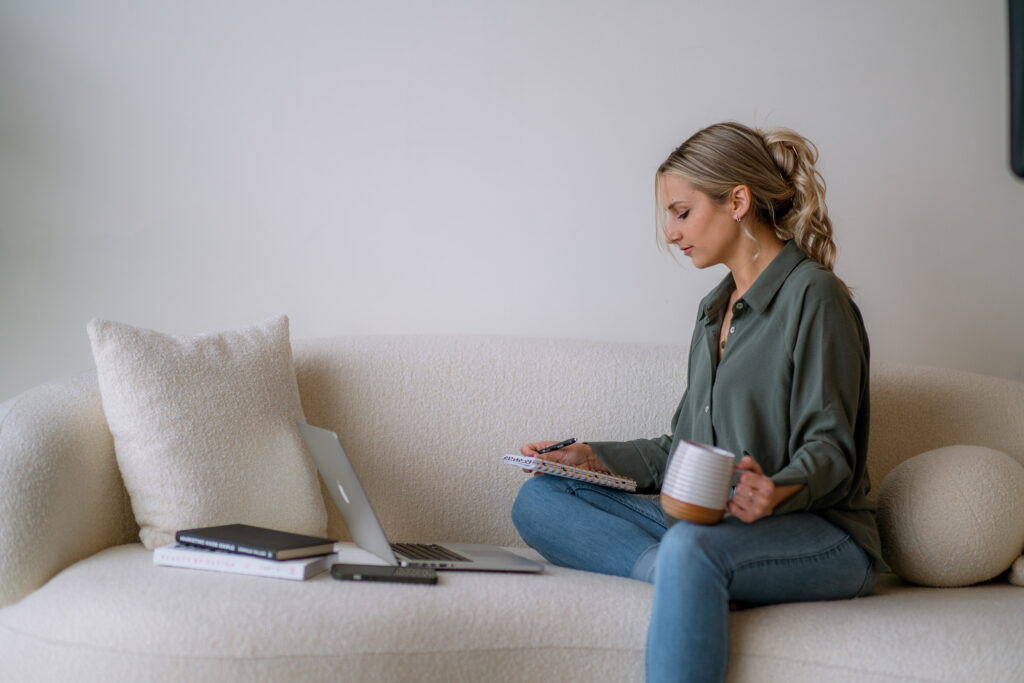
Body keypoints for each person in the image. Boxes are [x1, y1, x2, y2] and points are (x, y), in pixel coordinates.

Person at [510, 121, 885, 683]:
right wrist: (590, 457)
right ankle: (686, 576)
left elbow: (832, 453)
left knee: (691, 548)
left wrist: (774, 490)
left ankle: (692, 570)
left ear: (738, 201)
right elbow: (679, 451)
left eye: (681, 212)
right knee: (539, 498)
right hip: (711, 526)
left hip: (820, 533)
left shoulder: (815, 297)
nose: (670, 232)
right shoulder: (715, 310)